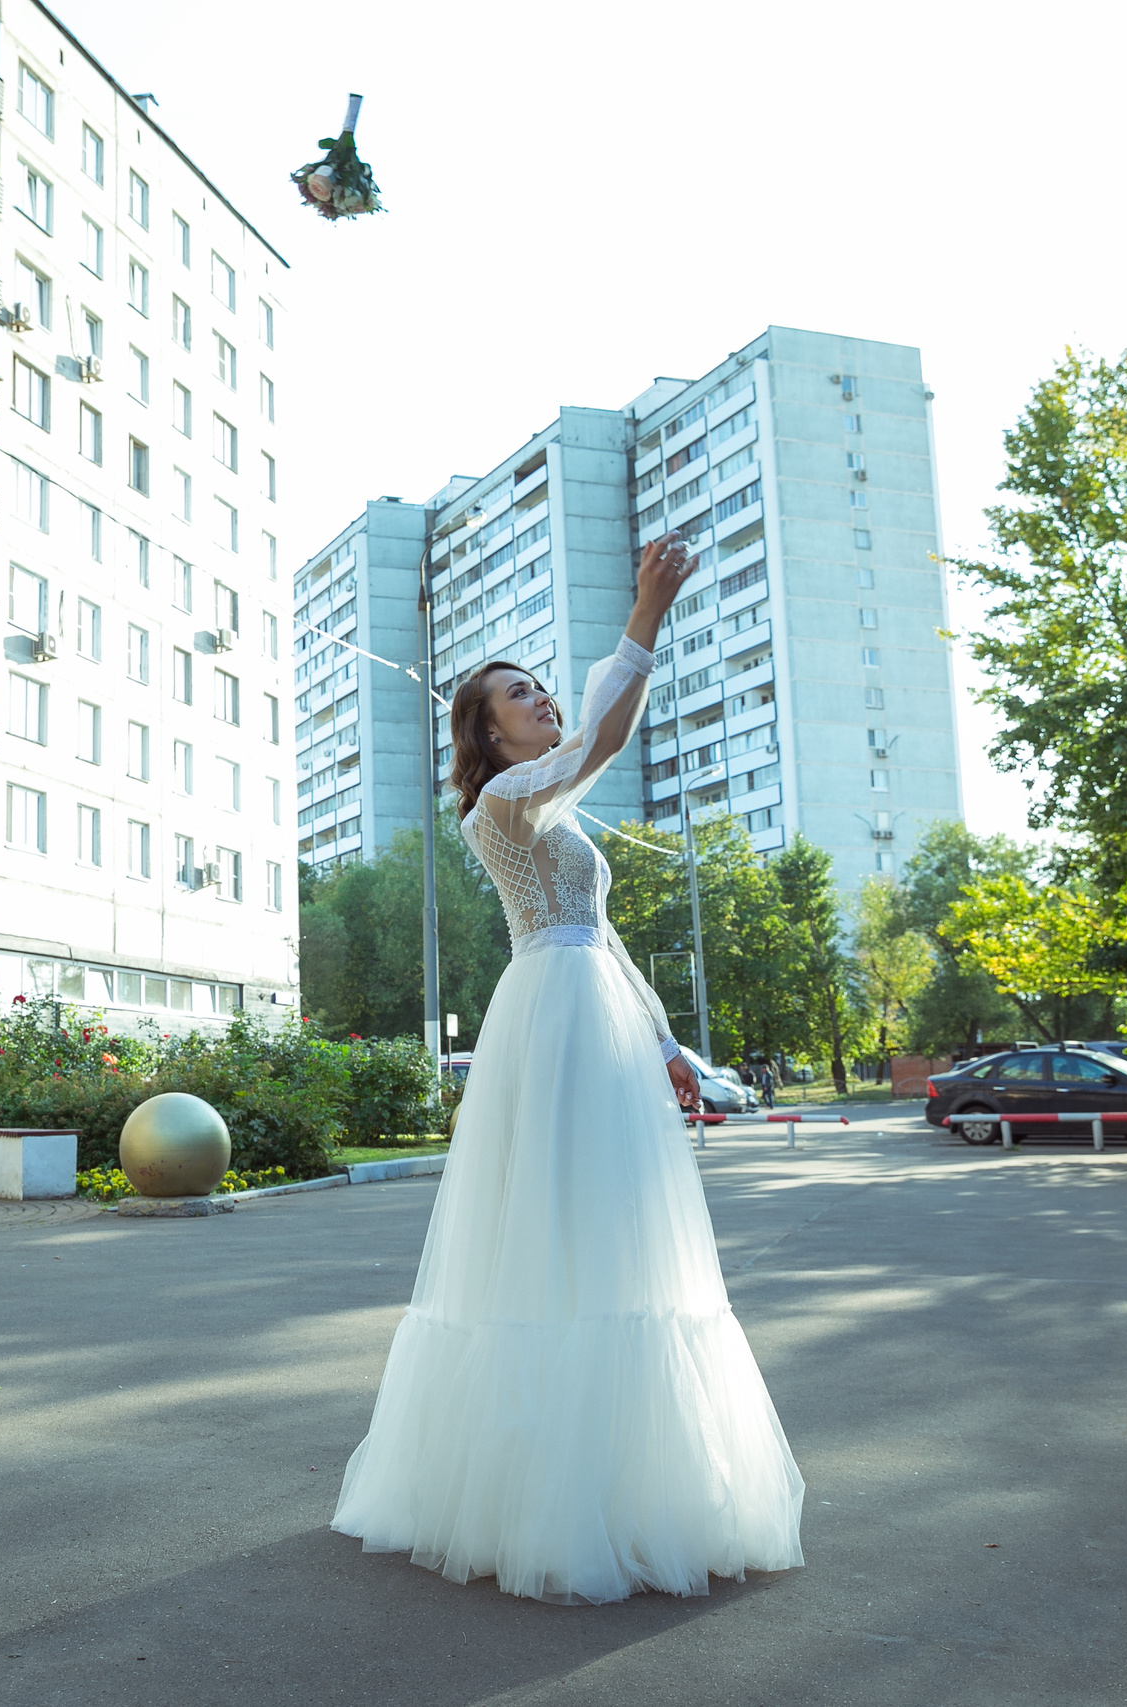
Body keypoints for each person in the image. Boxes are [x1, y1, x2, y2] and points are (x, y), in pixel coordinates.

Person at [332, 534, 805, 1605]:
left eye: (538, 683)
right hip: (547, 1030)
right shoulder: (501, 806)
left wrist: (670, 1046)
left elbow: (607, 940)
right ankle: (533, 1498)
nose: (537, 696)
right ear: (485, 733)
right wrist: (646, 614)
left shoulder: (557, 812)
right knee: (552, 1236)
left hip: (599, 1023)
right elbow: (599, 740)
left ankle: (633, 1485)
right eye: (517, 692)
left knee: (624, 1240)